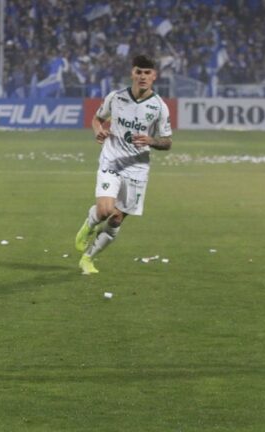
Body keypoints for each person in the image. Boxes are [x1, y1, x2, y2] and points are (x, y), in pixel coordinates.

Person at [74, 55, 173, 275]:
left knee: (117, 218)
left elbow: (167, 142)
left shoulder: (159, 107)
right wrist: (99, 131)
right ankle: (89, 225)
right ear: (132, 73)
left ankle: (88, 258)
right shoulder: (116, 98)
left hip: (137, 168)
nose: (143, 77)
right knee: (105, 210)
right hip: (112, 159)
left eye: (147, 73)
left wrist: (151, 140)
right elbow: (97, 119)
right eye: (139, 72)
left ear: (154, 76)